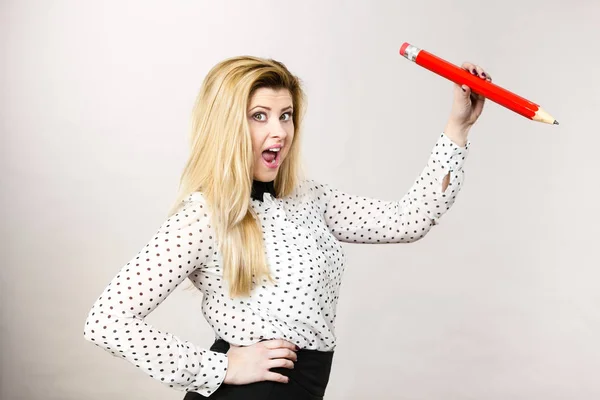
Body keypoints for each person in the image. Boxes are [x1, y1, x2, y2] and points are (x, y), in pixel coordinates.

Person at [83, 55, 491, 399]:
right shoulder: (205, 215)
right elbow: (107, 321)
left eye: (286, 115)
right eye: (259, 116)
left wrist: (458, 129)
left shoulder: (308, 198)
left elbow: (407, 220)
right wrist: (216, 367)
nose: (279, 131)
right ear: (227, 127)